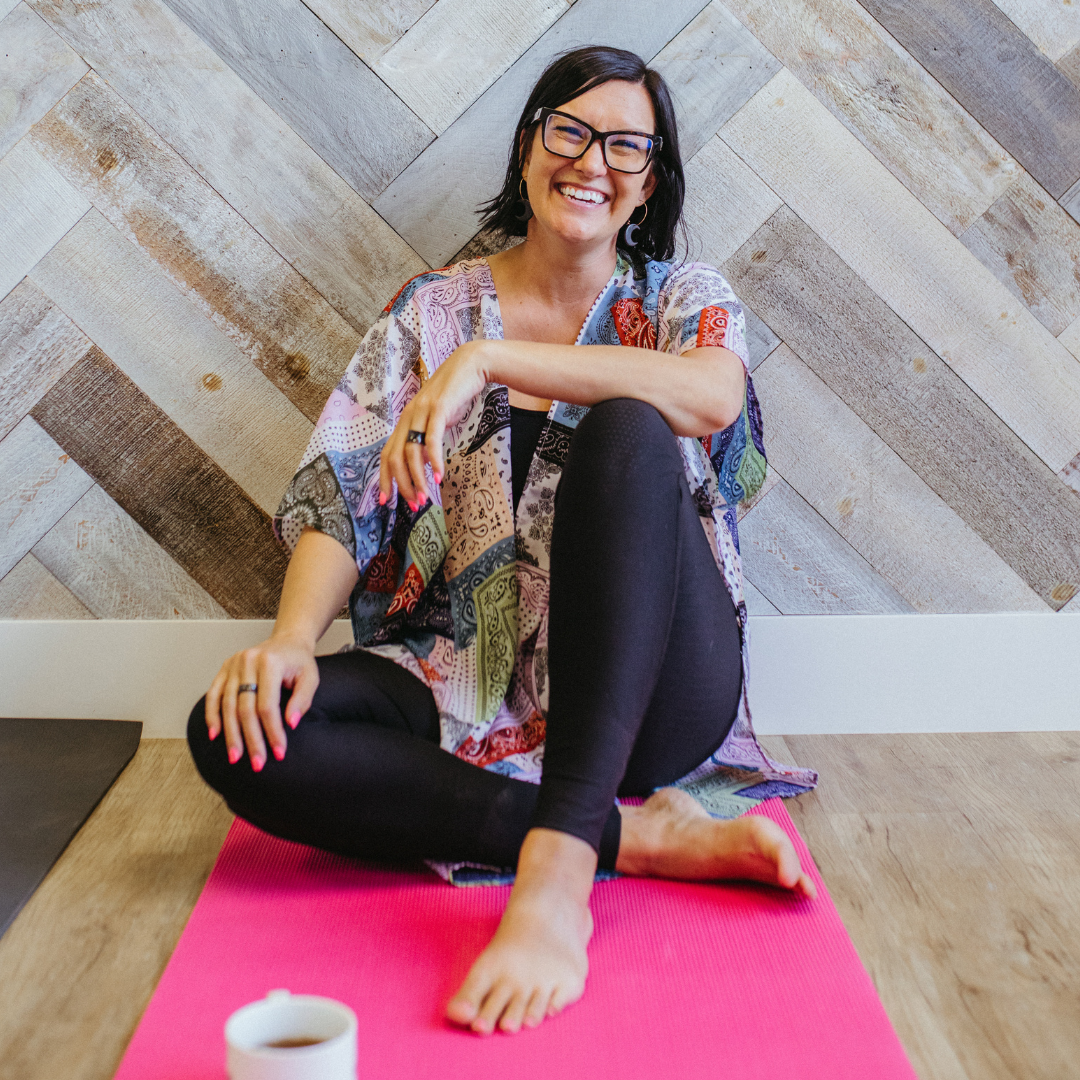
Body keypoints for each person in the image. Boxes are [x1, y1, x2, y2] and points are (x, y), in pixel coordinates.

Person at [188, 45, 818, 1037]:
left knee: (627, 423)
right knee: (240, 730)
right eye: (569, 130)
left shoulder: (676, 297)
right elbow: (341, 493)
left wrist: (487, 363)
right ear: (529, 147)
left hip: (656, 691)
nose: (593, 160)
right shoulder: (429, 313)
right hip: (459, 672)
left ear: (649, 180)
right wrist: (290, 643)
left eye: (626, 145)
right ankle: (636, 840)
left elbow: (713, 395)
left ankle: (562, 867)